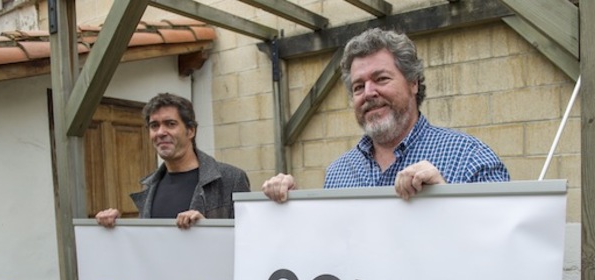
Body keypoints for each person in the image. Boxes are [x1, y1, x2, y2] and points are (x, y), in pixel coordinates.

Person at [262, 28, 509, 202]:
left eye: (381, 79)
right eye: (358, 86)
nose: (369, 93)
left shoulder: (470, 159)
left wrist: (445, 199)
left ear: (413, 83)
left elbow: (504, 246)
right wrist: (295, 207)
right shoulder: (338, 173)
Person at [95, 93, 250, 228]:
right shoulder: (149, 188)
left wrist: (207, 231)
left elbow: (248, 239)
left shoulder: (231, 179)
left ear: (190, 131)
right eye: (154, 126)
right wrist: (116, 227)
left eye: (170, 124)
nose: (161, 132)